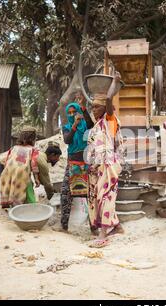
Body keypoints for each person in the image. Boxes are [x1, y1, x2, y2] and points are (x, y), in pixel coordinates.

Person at [86, 71, 125, 248]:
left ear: (105, 109)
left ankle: (103, 234)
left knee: (105, 197)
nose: (93, 110)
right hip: (99, 166)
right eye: (92, 107)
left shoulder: (110, 120)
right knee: (99, 197)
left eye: (96, 107)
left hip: (109, 165)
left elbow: (109, 101)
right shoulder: (97, 126)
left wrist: (114, 82)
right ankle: (117, 227)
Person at [60, 93, 94, 231]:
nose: (72, 114)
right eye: (70, 112)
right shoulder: (67, 127)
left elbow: (91, 124)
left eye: (74, 111)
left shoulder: (86, 125)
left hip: (87, 164)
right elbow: (67, 140)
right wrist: (74, 125)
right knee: (66, 194)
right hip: (72, 164)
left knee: (90, 195)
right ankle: (64, 226)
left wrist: (83, 108)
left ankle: (94, 226)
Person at [0, 126, 40, 208]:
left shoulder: (14, 148)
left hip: (8, 172)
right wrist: (36, 178)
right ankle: (33, 207)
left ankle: (12, 206)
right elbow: (34, 164)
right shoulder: (33, 150)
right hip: (22, 173)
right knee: (28, 188)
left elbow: (7, 160)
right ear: (33, 139)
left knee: (11, 188)